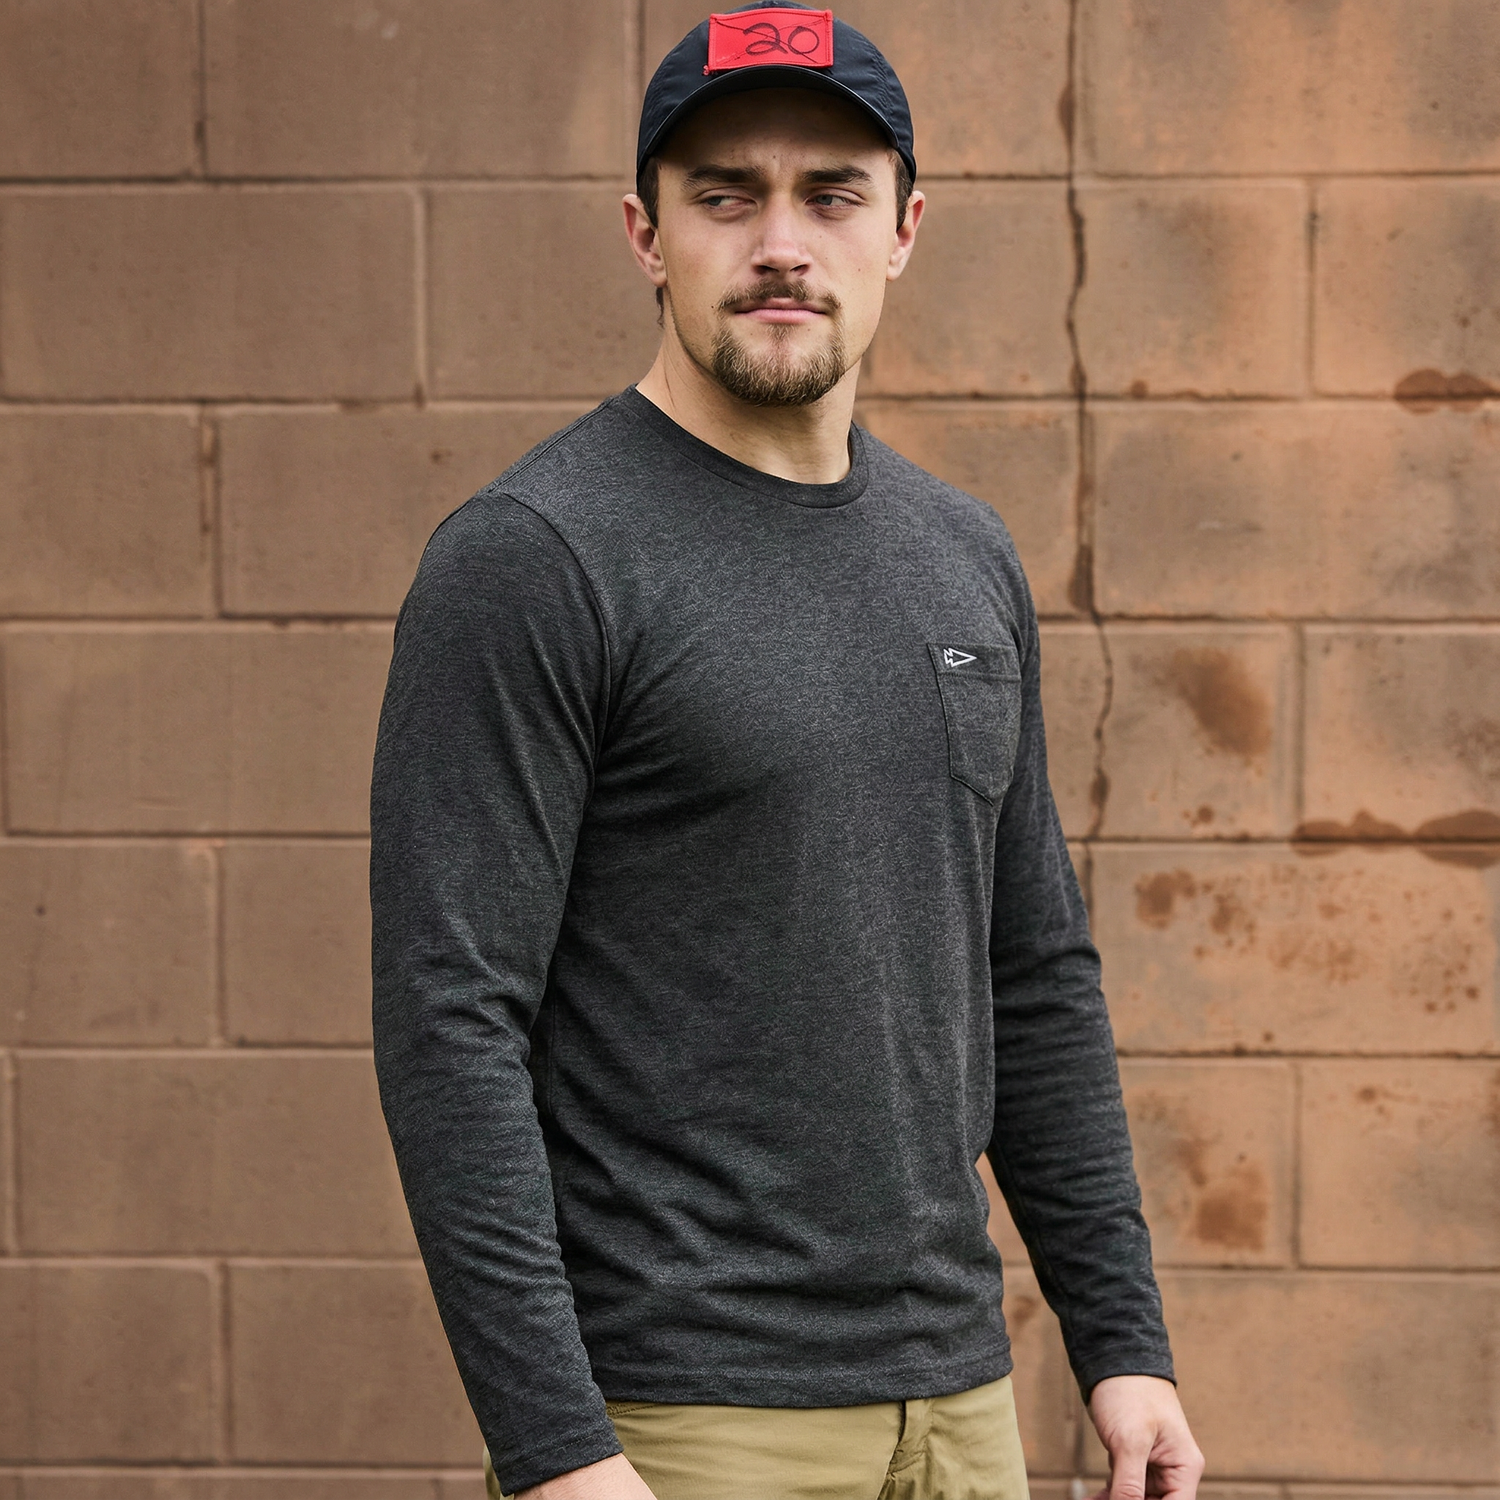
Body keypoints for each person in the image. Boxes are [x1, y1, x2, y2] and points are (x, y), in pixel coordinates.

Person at [370, 5, 1205, 1498]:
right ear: (646, 233)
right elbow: (452, 1024)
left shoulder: (963, 556)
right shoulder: (536, 562)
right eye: (723, 195)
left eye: (830, 195)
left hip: (959, 1409)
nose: (779, 241)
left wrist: (1122, 1341)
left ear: (902, 230)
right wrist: (559, 1452)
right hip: (685, 1425)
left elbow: (1035, 973)